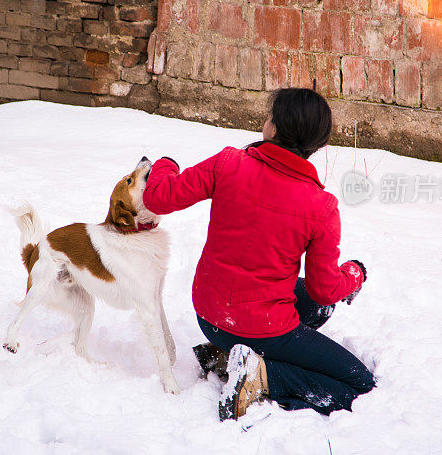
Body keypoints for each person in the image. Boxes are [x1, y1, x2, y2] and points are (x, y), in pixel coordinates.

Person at [142, 88, 375, 421]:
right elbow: (325, 286)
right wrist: (354, 273)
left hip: (210, 318)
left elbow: (159, 197)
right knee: (361, 385)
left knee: (320, 308)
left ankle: (228, 353)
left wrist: (165, 164)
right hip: (261, 326)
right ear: (316, 144)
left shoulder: (228, 163)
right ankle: (263, 376)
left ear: (273, 129)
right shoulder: (321, 207)